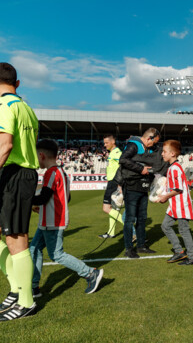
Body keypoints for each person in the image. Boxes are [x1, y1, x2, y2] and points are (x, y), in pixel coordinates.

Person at [29, 140, 103, 297]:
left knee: (56, 254)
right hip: (48, 221)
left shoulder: (51, 173)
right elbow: (66, 198)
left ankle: (90, 273)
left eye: (36, 156)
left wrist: (24, 199)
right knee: (34, 249)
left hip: (52, 222)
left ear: (41, 155)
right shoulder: (62, 173)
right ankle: (34, 287)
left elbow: (43, 198)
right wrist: (42, 207)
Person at [0, 62, 39, 320]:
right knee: (9, 234)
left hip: (16, 173)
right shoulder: (27, 108)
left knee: (16, 237)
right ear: (18, 83)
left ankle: (25, 302)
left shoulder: (4, 106)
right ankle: (16, 290)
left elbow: (5, 145)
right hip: (21, 174)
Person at [119, 128, 160, 259]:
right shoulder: (133, 145)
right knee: (130, 219)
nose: (154, 145)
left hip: (143, 187)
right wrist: (140, 168)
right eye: (154, 142)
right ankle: (129, 249)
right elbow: (123, 159)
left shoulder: (146, 147)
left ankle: (141, 246)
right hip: (131, 186)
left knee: (142, 218)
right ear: (149, 138)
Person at [158, 140, 193, 265]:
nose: (162, 154)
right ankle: (179, 251)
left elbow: (178, 189)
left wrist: (165, 197)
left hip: (181, 205)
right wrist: (165, 196)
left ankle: (192, 257)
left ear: (173, 154)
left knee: (183, 230)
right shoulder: (172, 168)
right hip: (174, 205)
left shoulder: (175, 168)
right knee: (165, 226)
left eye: (164, 152)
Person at [98, 134, 124, 239]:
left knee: (106, 208)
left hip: (114, 182)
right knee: (114, 209)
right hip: (113, 181)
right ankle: (111, 232)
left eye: (106, 142)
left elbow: (123, 166)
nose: (105, 145)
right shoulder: (112, 153)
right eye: (104, 143)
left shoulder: (117, 153)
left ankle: (130, 227)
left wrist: (120, 184)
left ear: (113, 142)